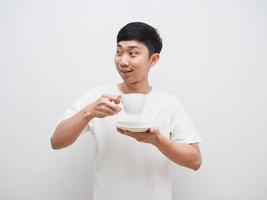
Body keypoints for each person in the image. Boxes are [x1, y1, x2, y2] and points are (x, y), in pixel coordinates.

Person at [50, 22, 202, 200]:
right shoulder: (98, 98)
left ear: (153, 60)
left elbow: (195, 161)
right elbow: (56, 142)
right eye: (119, 52)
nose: (123, 61)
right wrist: (88, 112)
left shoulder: (169, 103)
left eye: (133, 53)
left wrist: (158, 141)